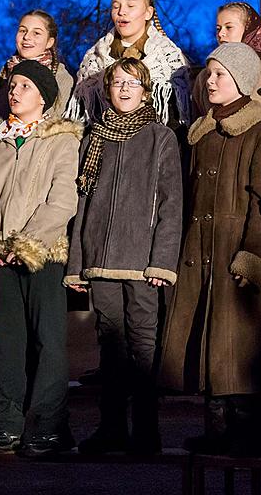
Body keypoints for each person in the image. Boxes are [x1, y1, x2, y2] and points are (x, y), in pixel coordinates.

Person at [160, 43, 261, 456]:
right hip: (199, 253)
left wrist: (252, 258)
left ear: (242, 82)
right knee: (206, 344)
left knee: (236, 346)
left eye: (220, 75)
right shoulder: (202, 134)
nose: (210, 82)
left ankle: (246, 429)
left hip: (234, 257)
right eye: (208, 74)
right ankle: (215, 427)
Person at [64, 57, 182, 455]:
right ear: (107, 90)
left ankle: (147, 432)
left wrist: (161, 262)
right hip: (100, 258)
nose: (125, 89)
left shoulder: (159, 137)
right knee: (110, 345)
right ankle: (111, 427)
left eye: (134, 83)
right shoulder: (95, 136)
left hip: (142, 261)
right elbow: (83, 204)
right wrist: (78, 263)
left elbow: (171, 205)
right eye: (118, 83)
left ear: (146, 90)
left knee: (143, 347)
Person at [0, 60, 82, 457]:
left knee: (48, 342)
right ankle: (7, 422)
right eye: (12, 85)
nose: (14, 92)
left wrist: (24, 244)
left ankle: (48, 425)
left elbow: (61, 201)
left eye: (24, 86)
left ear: (44, 97)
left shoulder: (61, 140)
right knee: (6, 344)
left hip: (42, 256)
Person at [64, 0, 190, 127]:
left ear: (148, 13)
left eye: (130, 6)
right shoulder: (94, 58)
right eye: (116, 6)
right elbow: (83, 116)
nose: (121, 12)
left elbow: (177, 119)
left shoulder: (168, 59)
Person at [191, 2, 261, 124]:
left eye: (229, 27)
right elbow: (196, 124)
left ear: (249, 28)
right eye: (218, 29)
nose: (221, 34)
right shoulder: (205, 76)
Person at [0, 10, 74, 121]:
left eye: (36, 33)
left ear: (49, 42)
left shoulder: (60, 77)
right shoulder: (5, 74)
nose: (27, 37)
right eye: (22, 30)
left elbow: (56, 122)